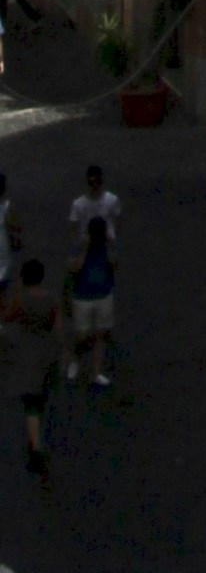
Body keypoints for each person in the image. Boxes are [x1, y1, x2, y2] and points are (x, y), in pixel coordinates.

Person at [62, 165, 117, 391]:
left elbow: (115, 263)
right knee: (82, 334)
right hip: (83, 295)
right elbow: (73, 268)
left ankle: (96, 371)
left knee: (100, 334)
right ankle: (75, 358)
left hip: (102, 292)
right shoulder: (81, 247)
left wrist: (109, 243)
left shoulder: (107, 246)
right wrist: (84, 247)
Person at [10, 259, 55, 482]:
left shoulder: (21, 299)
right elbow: (57, 327)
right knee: (41, 397)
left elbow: (9, 316)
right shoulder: (50, 299)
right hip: (45, 352)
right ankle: (35, 437)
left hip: (27, 353)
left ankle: (35, 447)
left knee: (30, 402)